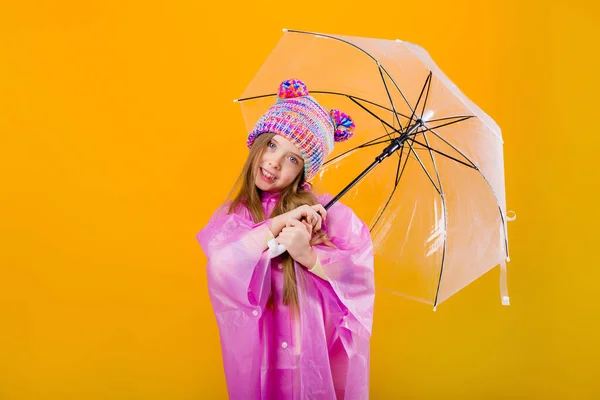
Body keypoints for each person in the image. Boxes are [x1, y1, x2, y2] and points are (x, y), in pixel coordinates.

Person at [196, 79, 375, 399]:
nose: (275, 162)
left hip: (309, 362)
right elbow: (223, 266)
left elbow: (357, 280)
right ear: (258, 142)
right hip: (261, 362)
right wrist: (276, 224)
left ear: (304, 171)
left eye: (293, 159)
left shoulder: (330, 217)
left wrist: (309, 256)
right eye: (273, 145)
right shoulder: (234, 216)